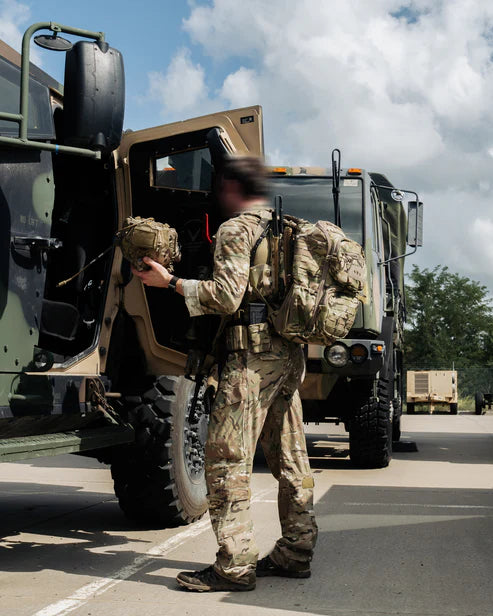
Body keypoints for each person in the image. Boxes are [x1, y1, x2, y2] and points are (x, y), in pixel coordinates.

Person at [132, 156, 318, 592]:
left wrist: (171, 283)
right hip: (288, 358)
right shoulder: (286, 227)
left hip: (250, 362)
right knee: (291, 458)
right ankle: (296, 552)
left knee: (226, 461)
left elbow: (225, 297)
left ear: (232, 187)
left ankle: (234, 565)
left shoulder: (238, 228)